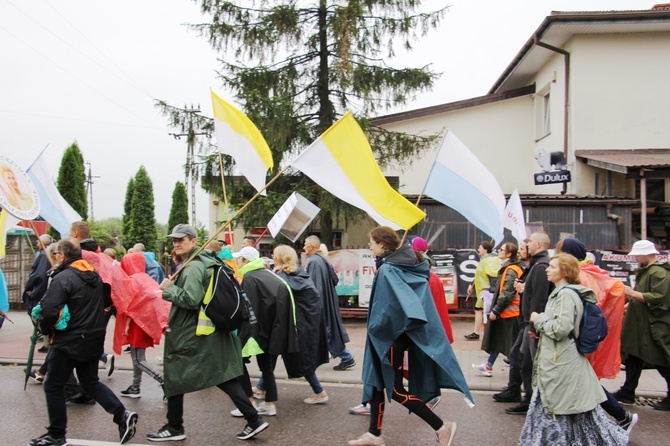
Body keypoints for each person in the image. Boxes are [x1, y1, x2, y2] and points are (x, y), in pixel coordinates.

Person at [349, 227, 472, 446]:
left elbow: (387, 308)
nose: (369, 246)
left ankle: (442, 427)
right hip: (395, 337)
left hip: (389, 338)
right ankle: (374, 434)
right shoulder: (404, 266)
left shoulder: (388, 270)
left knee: (396, 390)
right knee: (377, 383)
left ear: (382, 244)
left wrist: (378, 330)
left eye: (371, 242)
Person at [147, 224, 268, 442]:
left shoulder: (193, 266)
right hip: (207, 329)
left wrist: (168, 289)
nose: (176, 243)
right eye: (174, 240)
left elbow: (191, 299)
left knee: (174, 375)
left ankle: (175, 427)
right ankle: (254, 419)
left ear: (194, 241)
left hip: (190, 331)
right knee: (222, 376)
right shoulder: (207, 261)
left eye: (181, 240)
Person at [29, 238, 137, 446]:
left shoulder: (63, 278)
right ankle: (121, 415)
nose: (53, 259)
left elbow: (50, 310)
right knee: (90, 382)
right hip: (94, 336)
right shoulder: (94, 275)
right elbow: (105, 301)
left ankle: (56, 434)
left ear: (62, 255)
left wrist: (43, 327)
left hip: (69, 340)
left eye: (54, 255)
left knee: (52, 385)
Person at [519, 253, 628, 445]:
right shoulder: (563, 292)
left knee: (558, 408)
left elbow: (561, 328)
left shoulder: (565, 294)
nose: (547, 269)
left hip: (561, 361)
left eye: (552, 267)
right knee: (570, 411)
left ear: (565, 271)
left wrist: (539, 319)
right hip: (559, 360)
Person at [557, 237, 637, 432]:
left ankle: (618, 416)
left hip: (577, 338)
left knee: (583, 381)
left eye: (560, 251)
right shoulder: (587, 273)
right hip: (579, 337)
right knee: (581, 380)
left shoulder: (582, 276)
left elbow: (583, 307)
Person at [231, 246, 298, 417]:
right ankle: (269, 404)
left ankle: (249, 403)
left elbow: (249, 309)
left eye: (239, 259)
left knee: (238, 363)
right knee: (266, 367)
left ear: (245, 261)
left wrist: (245, 335)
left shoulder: (250, 277)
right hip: (273, 330)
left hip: (257, 331)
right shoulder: (269, 274)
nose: (236, 262)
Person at [613, 240, 670, 411]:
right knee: (633, 356)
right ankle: (627, 391)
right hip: (640, 324)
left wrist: (631, 293)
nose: (636, 258)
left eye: (637, 255)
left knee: (660, 359)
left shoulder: (658, 273)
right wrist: (630, 304)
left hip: (651, 325)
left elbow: (660, 298)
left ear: (647, 254)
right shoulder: (648, 271)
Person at [272, 244, 330, 404]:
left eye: (274, 255)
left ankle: (320, 392)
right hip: (307, 324)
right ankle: (262, 387)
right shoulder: (299, 274)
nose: (272, 257)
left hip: (298, 326)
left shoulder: (284, 278)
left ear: (278, 259)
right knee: (281, 355)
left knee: (298, 358)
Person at [505, 232, 554, 415]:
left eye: (531, 241)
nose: (527, 244)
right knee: (521, 358)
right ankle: (529, 398)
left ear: (539, 244)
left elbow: (539, 299)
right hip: (529, 322)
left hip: (532, 324)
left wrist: (534, 326)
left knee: (526, 361)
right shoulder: (537, 265)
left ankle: (531, 400)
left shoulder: (541, 266)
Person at [118, 252, 166, 399]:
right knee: (136, 357)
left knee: (139, 359)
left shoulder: (131, 280)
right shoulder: (146, 279)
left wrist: (126, 326)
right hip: (145, 322)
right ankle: (135, 386)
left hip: (136, 323)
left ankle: (164, 381)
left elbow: (129, 305)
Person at [303, 235, 354, 370]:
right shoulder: (322, 260)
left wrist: (313, 305)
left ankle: (346, 357)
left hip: (321, 304)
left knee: (324, 332)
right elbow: (333, 280)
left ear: (312, 246)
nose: (303, 247)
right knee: (327, 332)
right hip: (327, 301)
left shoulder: (314, 261)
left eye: (305, 244)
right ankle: (345, 357)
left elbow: (314, 286)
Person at [475, 243, 523, 377]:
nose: (498, 251)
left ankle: (518, 374)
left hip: (510, 313)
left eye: (501, 250)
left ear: (508, 254)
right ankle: (488, 365)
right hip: (508, 312)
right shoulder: (509, 268)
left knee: (510, 344)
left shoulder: (511, 270)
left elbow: (507, 292)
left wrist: (496, 310)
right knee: (500, 340)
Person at [465, 241, 500, 340]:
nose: (478, 249)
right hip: (483, 291)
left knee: (479, 310)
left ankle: (479, 333)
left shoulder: (490, 260)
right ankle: (478, 332)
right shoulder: (484, 259)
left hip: (486, 291)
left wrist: (492, 291)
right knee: (480, 310)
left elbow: (493, 275)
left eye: (480, 247)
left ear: (485, 249)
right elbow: (479, 274)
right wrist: (472, 285)